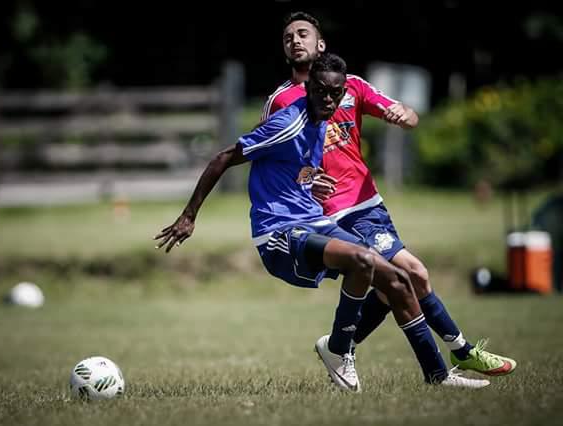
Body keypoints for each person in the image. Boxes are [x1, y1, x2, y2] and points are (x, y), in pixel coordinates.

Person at [155, 53, 490, 391]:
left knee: (398, 280)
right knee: (362, 261)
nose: (328, 99)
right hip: (278, 232)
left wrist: (307, 179)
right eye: (320, 91)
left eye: (335, 93)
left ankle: (437, 375)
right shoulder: (289, 122)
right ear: (309, 88)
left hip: (314, 222)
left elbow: (289, 167)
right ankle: (339, 351)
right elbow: (224, 157)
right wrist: (188, 215)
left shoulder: (324, 122)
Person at [261, 11, 517, 387]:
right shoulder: (281, 101)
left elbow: (409, 116)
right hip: (333, 215)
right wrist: (306, 182)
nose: (295, 40)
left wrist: (405, 115)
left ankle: (340, 345)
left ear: (321, 43)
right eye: (288, 37)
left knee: (389, 287)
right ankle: (461, 353)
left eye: (303, 34)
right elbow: (275, 167)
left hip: (370, 204)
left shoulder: (353, 86)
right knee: (412, 273)